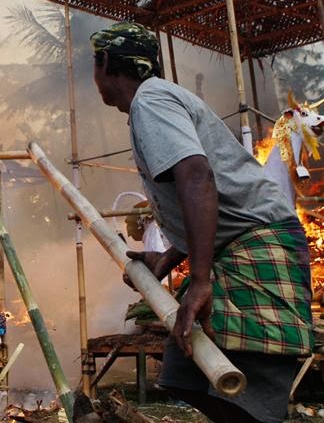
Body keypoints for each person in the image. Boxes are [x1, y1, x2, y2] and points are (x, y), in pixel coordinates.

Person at [90, 21, 312, 423]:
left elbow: (198, 176)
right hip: (235, 245)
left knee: (248, 397)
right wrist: (169, 259)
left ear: (105, 63)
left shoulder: (150, 102)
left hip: (254, 247)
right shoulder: (157, 99)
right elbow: (206, 192)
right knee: (183, 375)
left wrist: (201, 279)